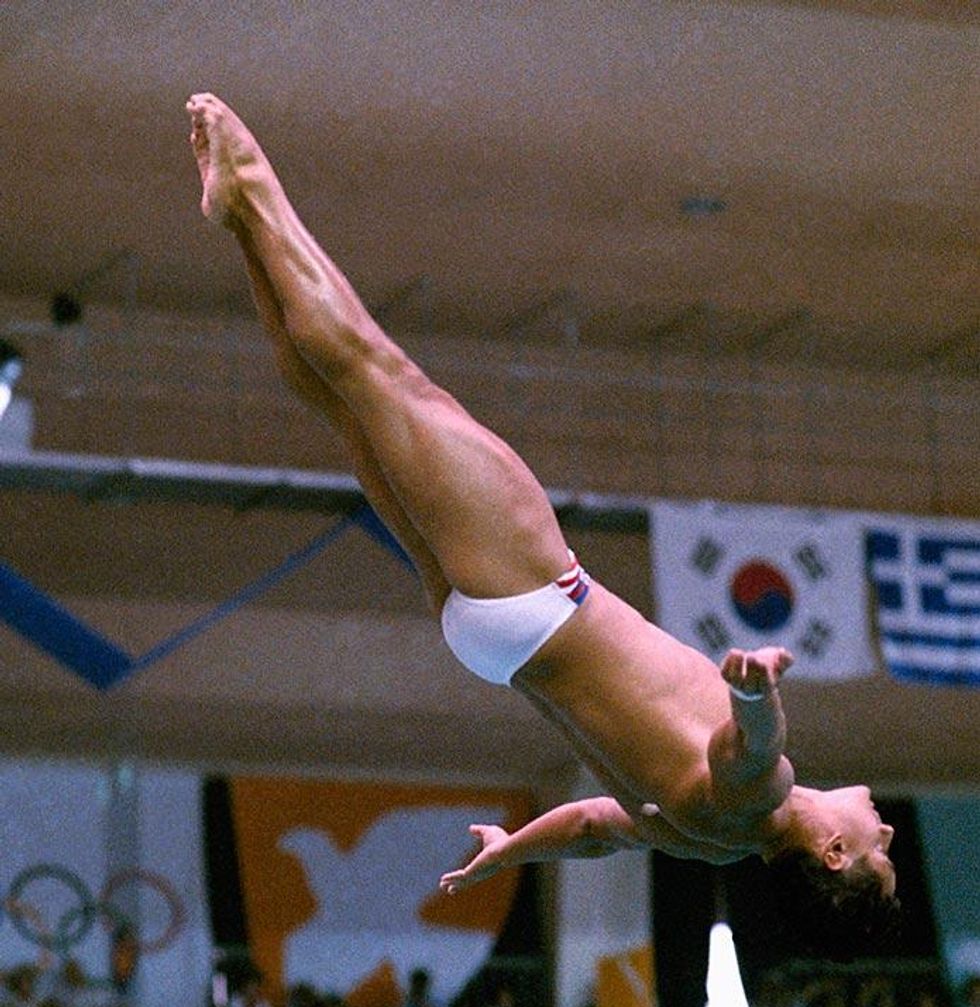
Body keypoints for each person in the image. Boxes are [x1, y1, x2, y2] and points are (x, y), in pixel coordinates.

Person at [186, 92, 900, 961]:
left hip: (537, 593)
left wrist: (755, 692)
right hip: (490, 638)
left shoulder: (761, 796)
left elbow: (746, 751)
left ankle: (254, 185)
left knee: (384, 375)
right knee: (347, 406)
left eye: (877, 855)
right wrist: (512, 852)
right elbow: (597, 827)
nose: (887, 835)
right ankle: (240, 222)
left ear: (830, 854)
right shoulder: (703, 840)